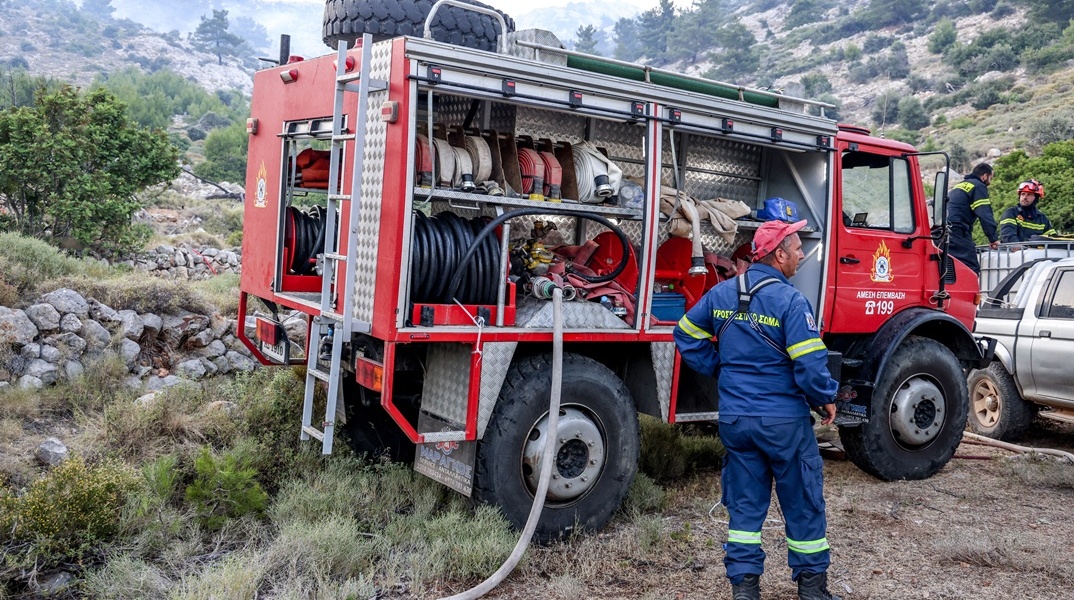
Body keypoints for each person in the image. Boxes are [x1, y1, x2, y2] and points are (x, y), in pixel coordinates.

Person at [673, 220, 841, 600]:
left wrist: (720, 367)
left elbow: (685, 332)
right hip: (784, 424)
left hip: (736, 420)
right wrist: (825, 397)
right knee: (803, 503)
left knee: (745, 510)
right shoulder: (791, 301)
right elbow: (811, 367)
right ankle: (813, 591)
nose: (801, 255)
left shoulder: (721, 294)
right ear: (779, 255)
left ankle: (745, 591)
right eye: (797, 248)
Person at [946, 163, 999, 274]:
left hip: (943, 233)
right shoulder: (978, 186)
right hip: (956, 231)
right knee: (970, 267)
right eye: (990, 178)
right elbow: (984, 214)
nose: (990, 182)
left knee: (949, 268)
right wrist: (993, 238)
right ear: (984, 176)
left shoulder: (959, 186)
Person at [999, 179, 1056, 243]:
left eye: (1029, 194)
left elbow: (1052, 238)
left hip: (1036, 252)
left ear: (1036, 199)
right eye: (1023, 194)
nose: (1025, 197)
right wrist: (1018, 248)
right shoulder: (1011, 213)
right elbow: (1008, 235)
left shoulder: (1042, 218)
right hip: (1016, 252)